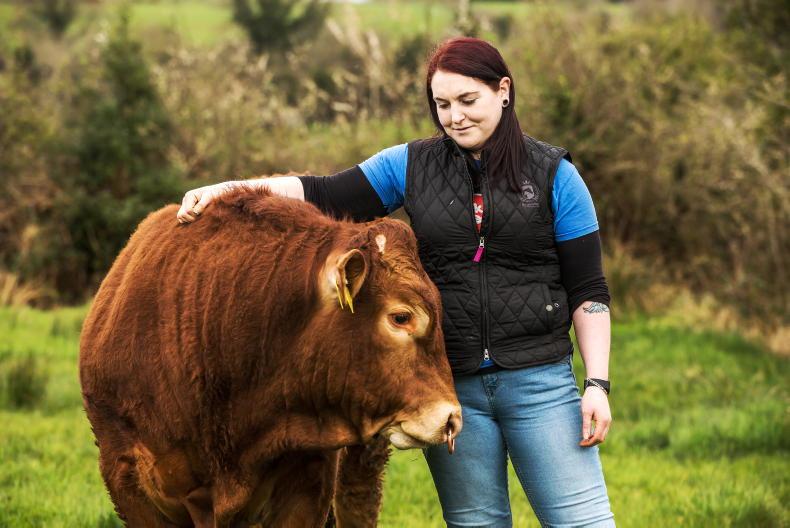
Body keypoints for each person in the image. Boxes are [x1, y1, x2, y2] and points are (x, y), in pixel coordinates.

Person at [177, 37, 615, 527]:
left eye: (468, 100)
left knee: (583, 522)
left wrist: (596, 384)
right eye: (442, 105)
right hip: (452, 386)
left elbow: (588, 291)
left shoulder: (555, 175)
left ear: (504, 91)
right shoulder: (409, 165)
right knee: (477, 523)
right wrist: (229, 190)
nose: (455, 117)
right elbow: (324, 192)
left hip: (540, 384)